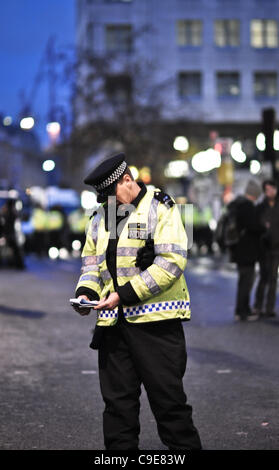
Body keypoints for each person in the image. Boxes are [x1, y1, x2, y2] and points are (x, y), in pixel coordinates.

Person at [72, 153, 202, 450]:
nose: (109, 203)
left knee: (170, 408)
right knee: (117, 412)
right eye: (104, 198)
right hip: (113, 326)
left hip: (155, 324)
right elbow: (92, 264)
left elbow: (171, 262)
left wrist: (125, 294)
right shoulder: (102, 215)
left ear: (127, 180)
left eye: (111, 194)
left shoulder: (160, 207)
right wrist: (87, 295)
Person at [229, 180, 264, 321]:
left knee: (243, 281)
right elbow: (253, 226)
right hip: (247, 251)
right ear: (255, 194)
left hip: (238, 249)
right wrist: (264, 227)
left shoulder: (237, 205)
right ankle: (243, 311)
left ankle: (240, 310)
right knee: (246, 282)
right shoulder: (247, 207)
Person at [253, 180, 279, 318]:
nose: (271, 192)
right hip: (264, 248)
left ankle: (269, 308)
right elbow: (257, 227)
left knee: (274, 278)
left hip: (276, 248)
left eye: (272, 189)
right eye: (268, 189)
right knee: (264, 277)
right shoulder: (261, 207)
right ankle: (258, 306)